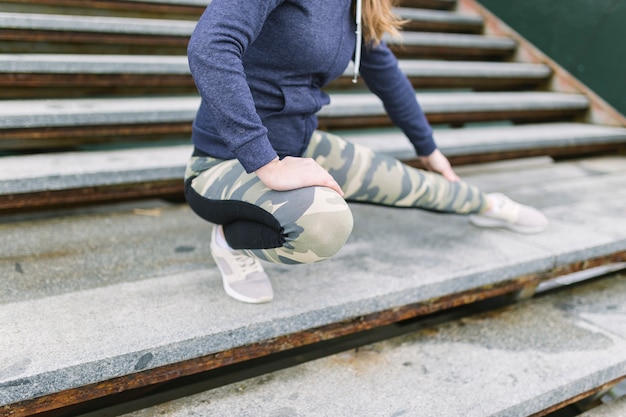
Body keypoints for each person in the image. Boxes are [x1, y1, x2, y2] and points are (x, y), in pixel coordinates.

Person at [184, 0, 548, 304]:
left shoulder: (357, 5)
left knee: (415, 183)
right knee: (324, 225)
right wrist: (266, 162)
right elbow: (211, 43)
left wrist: (429, 148)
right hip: (224, 162)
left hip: (301, 148)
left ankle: (490, 205)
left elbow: (388, 77)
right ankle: (230, 242)